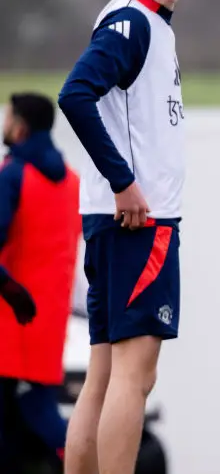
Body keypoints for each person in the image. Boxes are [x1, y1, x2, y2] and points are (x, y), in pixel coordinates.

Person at [56, 0, 193, 474]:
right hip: (138, 222)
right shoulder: (132, 22)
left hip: (121, 223)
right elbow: (75, 94)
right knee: (134, 376)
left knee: (106, 373)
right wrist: (123, 182)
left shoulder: (153, 26)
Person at [0, 93, 81, 469]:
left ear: (20, 127)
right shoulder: (74, 185)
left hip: (9, 319)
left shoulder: (12, 174)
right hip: (49, 327)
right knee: (36, 414)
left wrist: (12, 290)